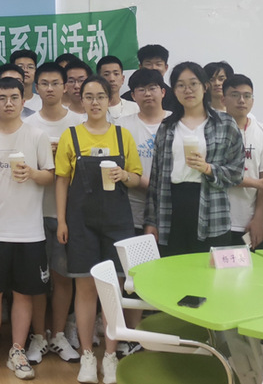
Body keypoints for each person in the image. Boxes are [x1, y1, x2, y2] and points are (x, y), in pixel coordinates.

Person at [55, 75, 142, 384]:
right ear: (81, 101)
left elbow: (136, 178)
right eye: (89, 96)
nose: (95, 102)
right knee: (85, 289)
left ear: (109, 100)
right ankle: (87, 356)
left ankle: (110, 355)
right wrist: (62, 221)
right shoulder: (71, 136)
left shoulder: (122, 136)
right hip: (80, 223)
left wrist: (124, 175)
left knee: (112, 289)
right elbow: (61, 180)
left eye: (100, 96)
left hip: (117, 222)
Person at [0, 77, 54, 380]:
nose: (8, 103)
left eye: (14, 97)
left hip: (29, 230)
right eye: (2, 98)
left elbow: (50, 176)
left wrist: (32, 173)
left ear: (23, 101)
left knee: (24, 294)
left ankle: (18, 351)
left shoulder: (37, 135)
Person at [143, 62, 244, 257]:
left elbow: (237, 173)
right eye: (180, 85)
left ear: (205, 87)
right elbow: (155, 179)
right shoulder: (167, 126)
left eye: (193, 84)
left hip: (212, 207)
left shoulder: (225, 124)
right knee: (174, 268)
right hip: (171, 205)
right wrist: (151, 221)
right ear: (174, 91)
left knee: (209, 270)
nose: (187, 90)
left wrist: (208, 169)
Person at [23, 62, 83, 364]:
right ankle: (38, 336)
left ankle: (58, 334)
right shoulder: (28, 124)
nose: (49, 88)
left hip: (67, 215)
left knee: (63, 277)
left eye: (55, 83)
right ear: (37, 88)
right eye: (44, 83)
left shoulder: (79, 123)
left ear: (65, 87)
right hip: (33, 212)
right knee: (37, 280)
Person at [114, 68, 171, 357]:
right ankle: (132, 336)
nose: (147, 94)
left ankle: (167, 335)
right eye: (141, 89)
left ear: (163, 91)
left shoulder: (175, 123)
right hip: (131, 211)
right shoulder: (122, 126)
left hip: (171, 214)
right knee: (132, 277)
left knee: (168, 277)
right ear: (133, 95)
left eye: (153, 88)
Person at [222, 74, 263, 248]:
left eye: (247, 96)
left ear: (252, 100)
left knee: (255, 265)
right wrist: (258, 183)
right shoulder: (214, 131)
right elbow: (218, 174)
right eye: (235, 95)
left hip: (254, 222)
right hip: (220, 220)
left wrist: (259, 218)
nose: (241, 100)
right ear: (223, 99)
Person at [133, 45, 179, 112]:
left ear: (166, 67)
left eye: (158, 64)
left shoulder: (175, 97)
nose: (153, 68)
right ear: (140, 67)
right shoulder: (127, 99)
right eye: (148, 64)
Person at [96, 56, 138, 122]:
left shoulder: (135, 108)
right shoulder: (93, 109)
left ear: (123, 79)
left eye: (116, 74)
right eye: (106, 74)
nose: (112, 79)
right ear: (98, 80)